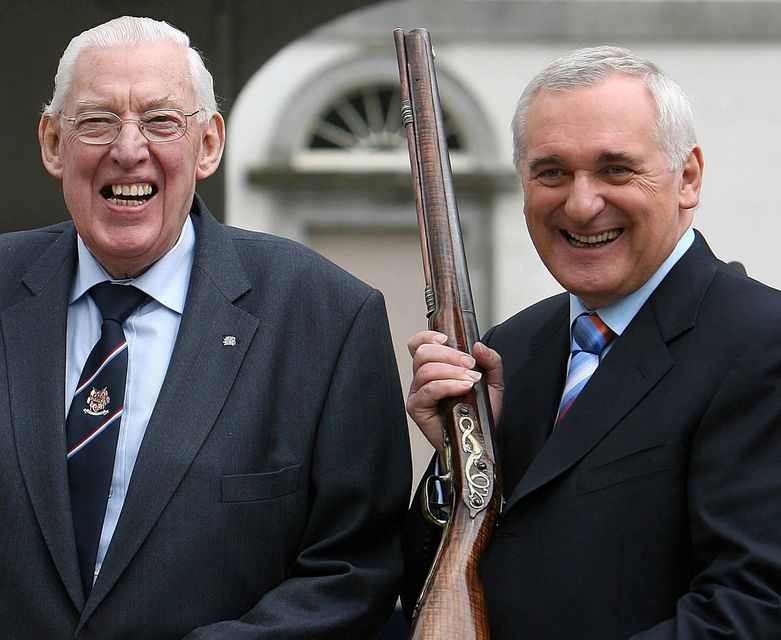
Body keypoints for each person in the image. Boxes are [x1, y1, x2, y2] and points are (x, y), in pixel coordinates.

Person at [0, 16, 411, 639]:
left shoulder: (326, 317)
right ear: (53, 143)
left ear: (209, 144)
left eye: (162, 121)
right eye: (96, 121)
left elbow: (354, 569)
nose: (129, 148)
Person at [403, 45, 781, 639]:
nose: (581, 204)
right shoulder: (514, 346)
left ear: (687, 178)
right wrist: (461, 462)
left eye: (616, 170)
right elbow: (432, 597)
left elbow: (754, 610)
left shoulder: (762, 344)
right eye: (551, 172)